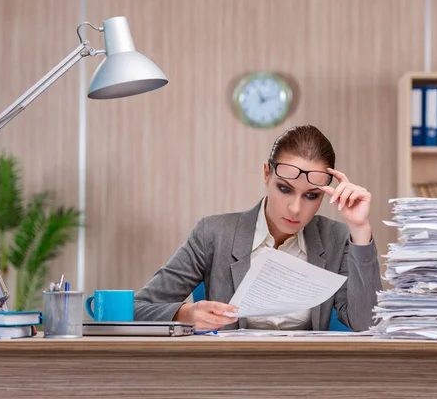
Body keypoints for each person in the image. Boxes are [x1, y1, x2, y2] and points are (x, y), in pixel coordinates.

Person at [134, 124, 382, 331]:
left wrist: (360, 229)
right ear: (267, 174)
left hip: (308, 378)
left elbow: (368, 324)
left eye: (311, 196)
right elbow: (137, 309)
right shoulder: (213, 233)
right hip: (232, 376)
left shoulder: (337, 238)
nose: (295, 208)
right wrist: (185, 313)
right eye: (284, 189)